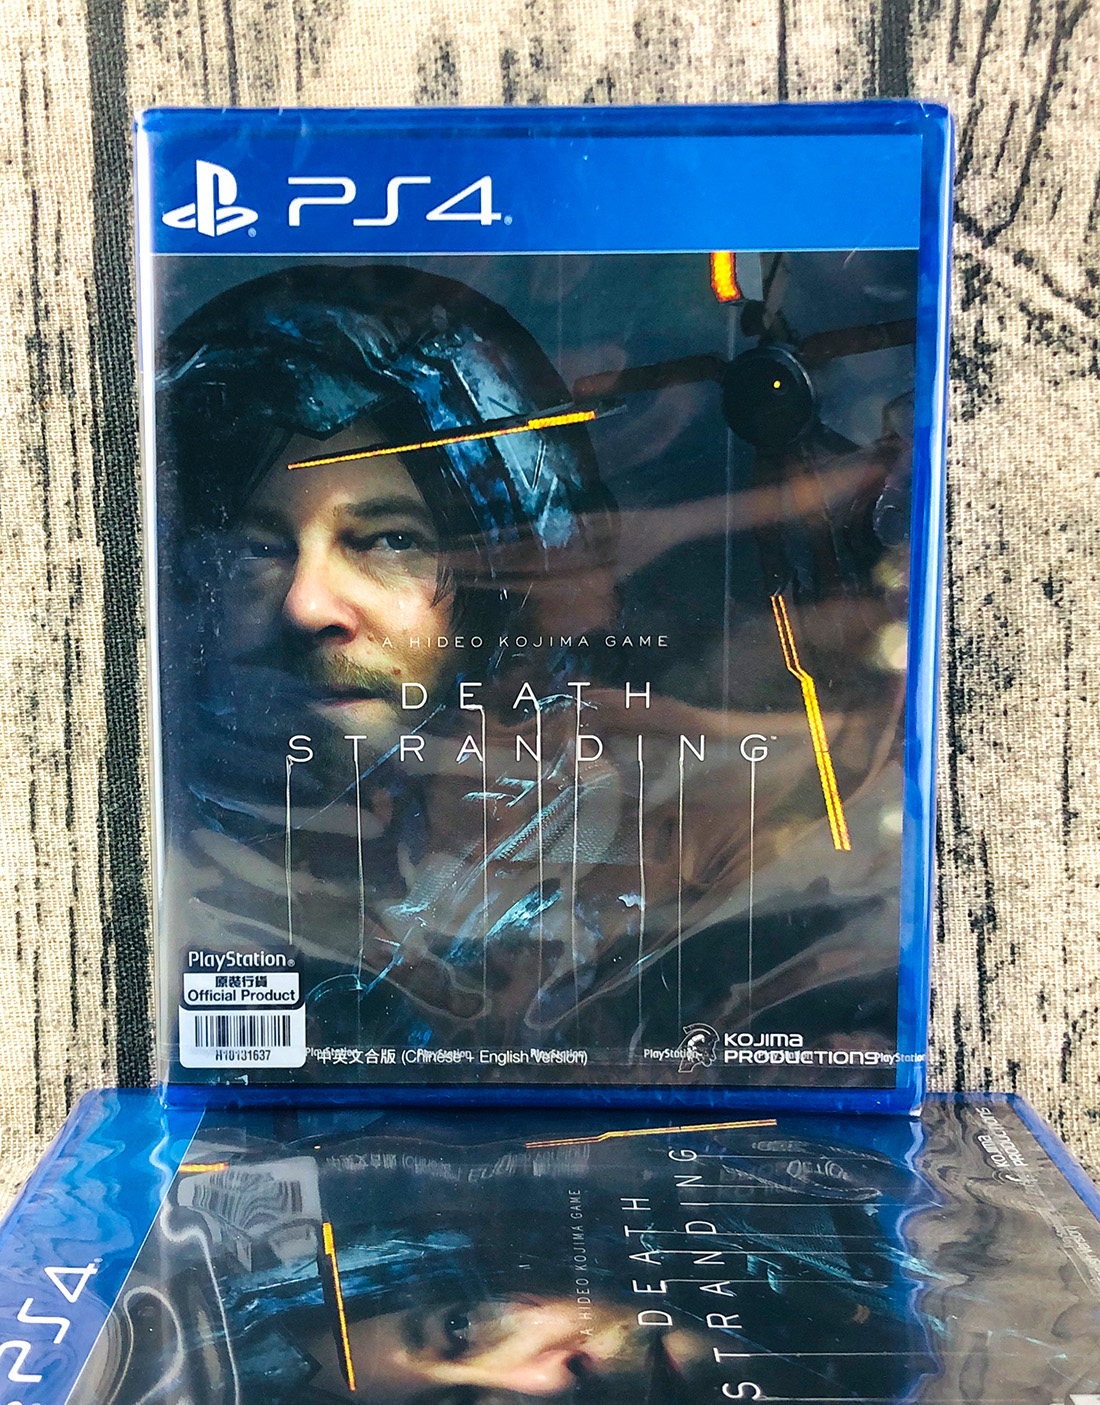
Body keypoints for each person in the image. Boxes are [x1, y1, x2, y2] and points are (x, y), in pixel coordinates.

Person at [157, 262, 909, 1075]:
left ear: (501, 590)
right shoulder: (202, 870)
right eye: (261, 546)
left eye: (388, 540)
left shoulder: (668, 828)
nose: (308, 604)